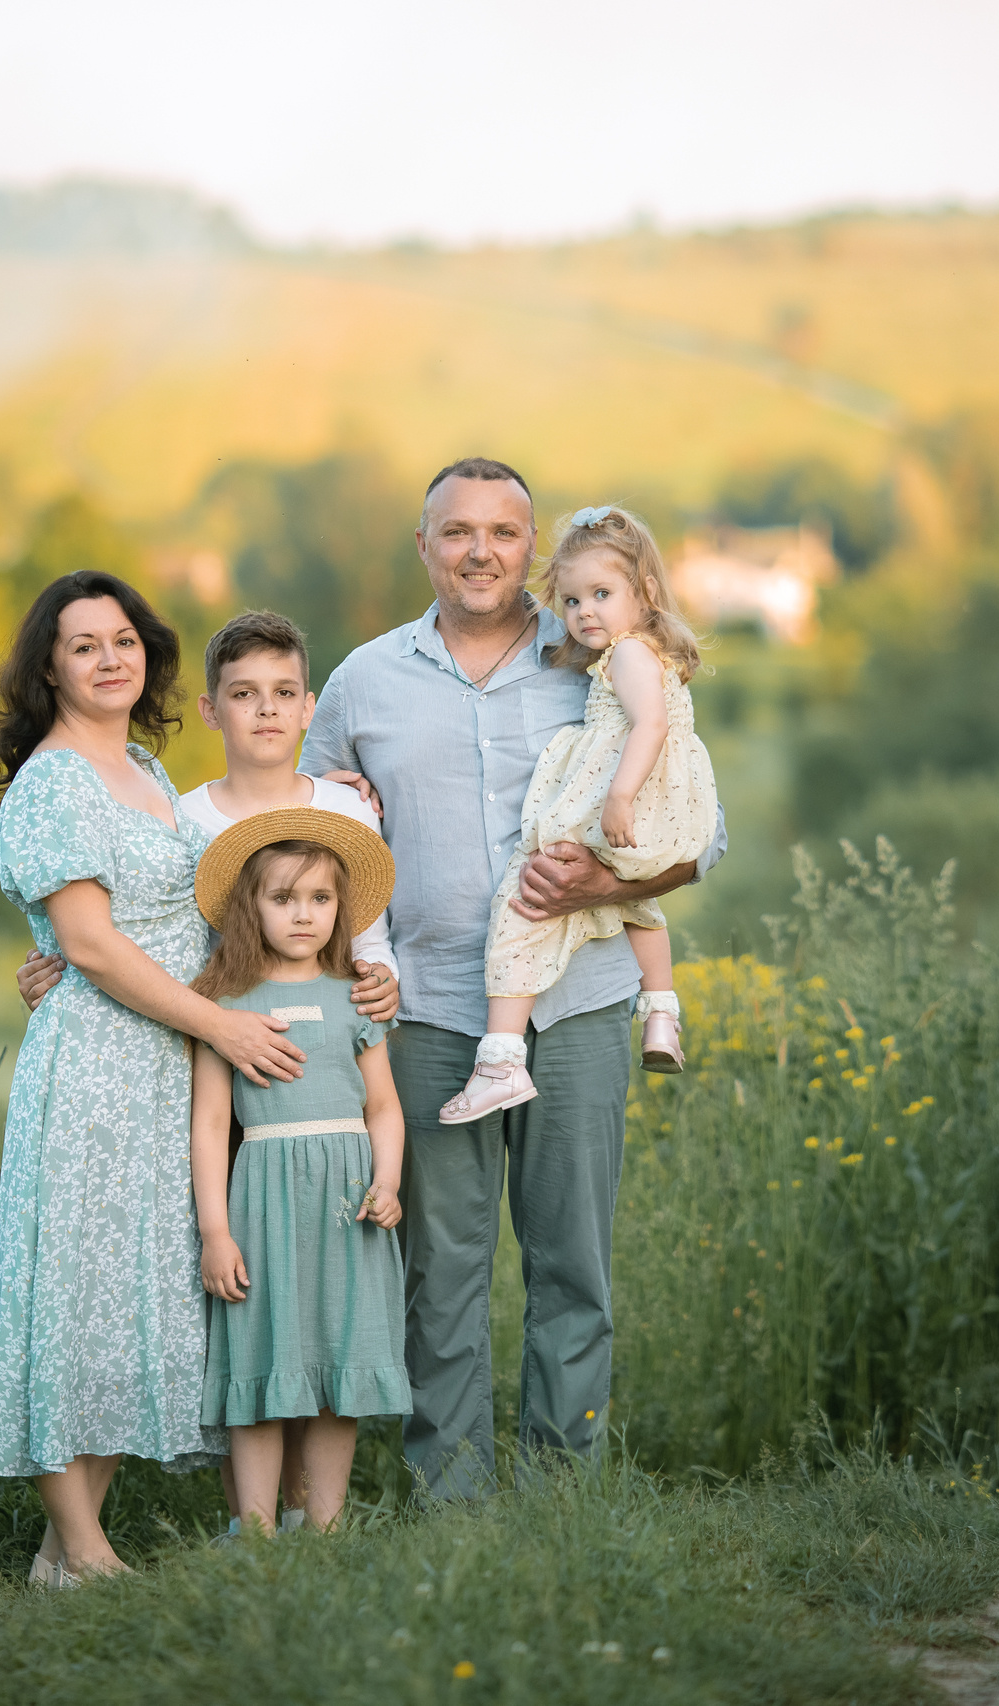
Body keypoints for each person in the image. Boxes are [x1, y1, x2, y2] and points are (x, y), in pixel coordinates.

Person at [298, 457, 727, 1499]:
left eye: (501, 531)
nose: (479, 550)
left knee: (572, 1266)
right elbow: (298, 838)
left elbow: (698, 836)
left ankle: (560, 1497)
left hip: (578, 1005)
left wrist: (593, 884)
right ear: (424, 546)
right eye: (456, 531)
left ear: (530, 548)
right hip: (430, 1011)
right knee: (436, 1274)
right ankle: (451, 1503)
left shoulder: (598, 650)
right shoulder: (363, 681)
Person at [16, 608, 399, 1536]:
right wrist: (55, 967)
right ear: (209, 708)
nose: (264, 713)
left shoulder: (339, 810)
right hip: (205, 1065)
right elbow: (129, 923)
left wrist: (378, 982)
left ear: (306, 707)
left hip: (315, 1079)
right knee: (243, 1287)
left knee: (318, 1289)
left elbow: (363, 935)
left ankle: (313, 1510)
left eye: (282, 696)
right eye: (243, 696)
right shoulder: (184, 812)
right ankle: (251, 1514)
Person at [0, 569, 316, 1589]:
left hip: (167, 1065)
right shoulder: (52, 781)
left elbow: (191, 904)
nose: (110, 657)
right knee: (72, 1290)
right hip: (95, 1066)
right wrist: (215, 1020)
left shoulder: (145, 767)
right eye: (84, 645)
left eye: (123, 639)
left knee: (136, 1295)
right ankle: (81, 1545)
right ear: (48, 667)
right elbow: (88, 940)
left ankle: (60, 1553)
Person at [440, 505, 717, 1123]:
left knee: (523, 902)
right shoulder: (648, 653)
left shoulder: (627, 655)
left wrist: (617, 796)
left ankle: (501, 1061)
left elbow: (651, 724)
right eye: (570, 601)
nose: (584, 612)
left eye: (600, 594)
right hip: (657, 805)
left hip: (620, 797)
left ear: (644, 592)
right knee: (632, 902)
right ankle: (661, 1015)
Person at [188, 808, 411, 1536]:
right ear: (251, 907)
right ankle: (253, 1530)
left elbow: (383, 1106)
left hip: (347, 1201)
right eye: (283, 899)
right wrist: (216, 1233)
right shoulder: (225, 1003)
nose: (304, 914)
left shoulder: (356, 994)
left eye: (320, 898)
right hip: (263, 1199)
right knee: (261, 1362)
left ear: (340, 906)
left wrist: (388, 1181)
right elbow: (213, 1125)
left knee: (336, 1371)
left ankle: (325, 1526)